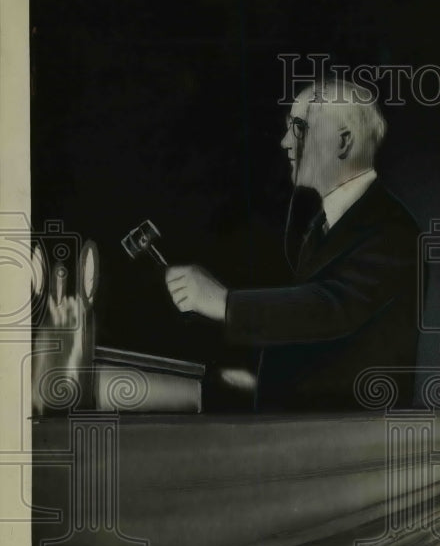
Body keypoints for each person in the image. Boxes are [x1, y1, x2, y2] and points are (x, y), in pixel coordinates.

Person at [165, 79, 421, 411]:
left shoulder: (393, 229)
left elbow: (331, 308)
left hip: (358, 443)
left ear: (343, 141)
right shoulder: (326, 225)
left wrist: (224, 303)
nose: (286, 142)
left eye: (299, 129)